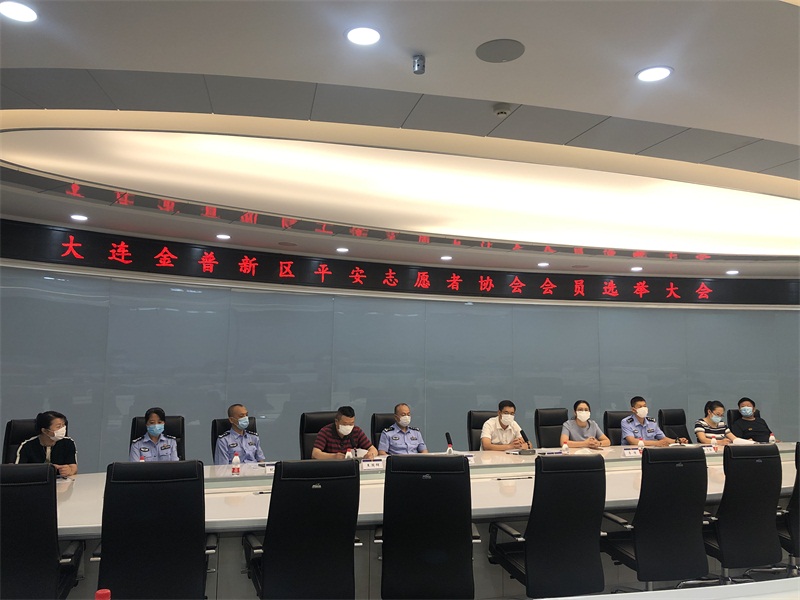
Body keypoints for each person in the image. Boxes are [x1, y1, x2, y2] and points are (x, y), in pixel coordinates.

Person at [15, 411, 78, 477]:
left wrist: (69, 470)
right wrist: (46, 469)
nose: (62, 429)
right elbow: (18, 471)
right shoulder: (27, 446)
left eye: (63, 425)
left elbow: (73, 467)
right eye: (58, 426)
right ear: (44, 431)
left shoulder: (68, 442)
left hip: (61, 481)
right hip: (35, 481)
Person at [312, 406, 378, 459]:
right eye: (345, 424)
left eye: (351, 424)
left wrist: (370, 454)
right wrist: (334, 457)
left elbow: (373, 449)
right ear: (336, 422)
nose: (348, 427)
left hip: (351, 467)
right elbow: (315, 454)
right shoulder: (326, 431)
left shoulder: (356, 431)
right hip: (331, 467)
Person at [621, 396, 688, 446]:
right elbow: (632, 441)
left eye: (644, 406)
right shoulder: (626, 422)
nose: (643, 409)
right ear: (633, 410)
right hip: (631, 452)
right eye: (640, 407)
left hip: (649, 452)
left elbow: (663, 439)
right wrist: (656, 443)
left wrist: (677, 441)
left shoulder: (652, 422)